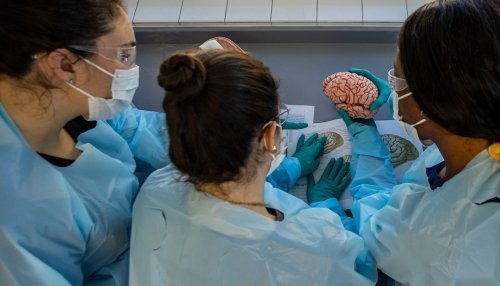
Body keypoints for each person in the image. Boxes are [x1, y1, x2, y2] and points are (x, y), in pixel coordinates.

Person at [129, 48, 376, 286]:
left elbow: (229, 200)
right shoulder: (315, 246)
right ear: (270, 136)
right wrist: (325, 204)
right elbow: (362, 265)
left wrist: (292, 167)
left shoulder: (155, 190)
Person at [0, 1, 169, 285]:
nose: (132, 68)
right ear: (65, 64)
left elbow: (137, 129)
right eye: (124, 55)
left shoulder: (68, 99)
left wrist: (217, 134)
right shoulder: (16, 222)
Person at [337, 0, 500, 284]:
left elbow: (375, 231)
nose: (393, 89)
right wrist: (399, 99)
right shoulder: (476, 139)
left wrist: (324, 204)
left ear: (432, 101)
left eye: (397, 81)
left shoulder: (431, 237)